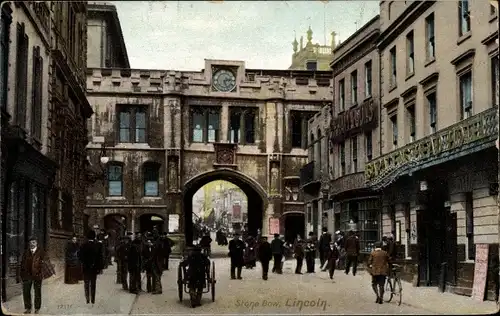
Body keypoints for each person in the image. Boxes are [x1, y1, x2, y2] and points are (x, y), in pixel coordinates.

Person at [20, 237, 45, 314]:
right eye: (30, 242)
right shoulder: (26, 252)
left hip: (37, 275)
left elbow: (45, 264)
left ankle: (37, 308)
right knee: (26, 292)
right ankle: (28, 308)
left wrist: (41, 273)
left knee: (37, 292)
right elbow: (22, 264)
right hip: (27, 275)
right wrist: (22, 275)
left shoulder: (41, 252)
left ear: (36, 243)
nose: (32, 244)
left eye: (33, 242)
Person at [79, 230, 104, 305]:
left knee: (86, 283)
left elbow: (80, 256)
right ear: (94, 236)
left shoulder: (83, 245)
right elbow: (100, 257)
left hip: (86, 267)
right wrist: (100, 268)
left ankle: (87, 299)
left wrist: (84, 262)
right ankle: (93, 300)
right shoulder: (98, 245)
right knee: (93, 284)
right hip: (94, 268)